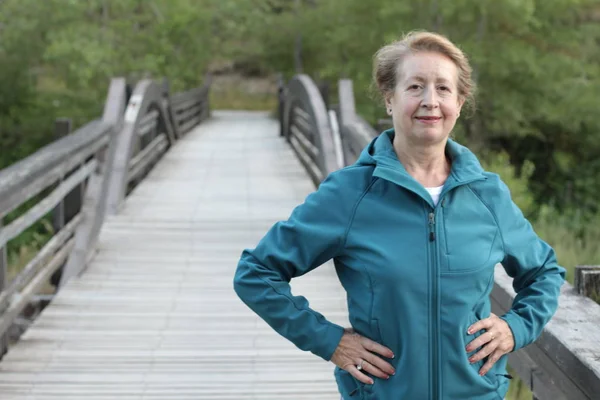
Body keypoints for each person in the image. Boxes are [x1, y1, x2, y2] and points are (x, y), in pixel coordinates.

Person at [233, 31, 565, 400]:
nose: (430, 101)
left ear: (460, 101)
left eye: (443, 88)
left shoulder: (487, 195)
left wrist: (515, 328)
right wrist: (330, 341)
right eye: (415, 87)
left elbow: (545, 273)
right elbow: (256, 274)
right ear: (389, 99)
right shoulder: (350, 194)